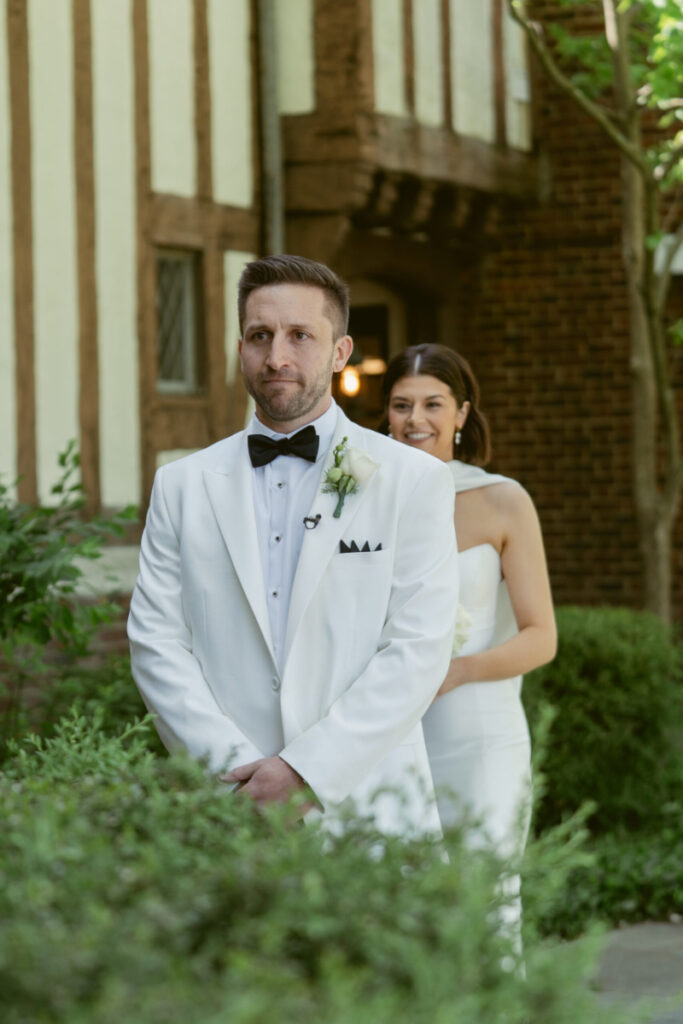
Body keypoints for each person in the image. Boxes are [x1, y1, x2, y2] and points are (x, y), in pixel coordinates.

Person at [128, 256, 458, 835]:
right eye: (260, 336)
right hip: (229, 809)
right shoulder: (182, 485)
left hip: (368, 811)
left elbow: (417, 649)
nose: (277, 357)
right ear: (240, 349)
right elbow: (156, 640)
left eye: (300, 336)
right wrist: (239, 774)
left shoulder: (409, 479)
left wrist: (305, 771)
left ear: (340, 351)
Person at [383, 343, 556, 921]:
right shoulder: (369, 503)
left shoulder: (503, 500)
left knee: (485, 905)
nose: (416, 420)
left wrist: (456, 671)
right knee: (405, 908)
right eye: (401, 405)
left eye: (433, 404)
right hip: (389, 733)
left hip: (481, 733)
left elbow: (540, 636)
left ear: (461, 413)